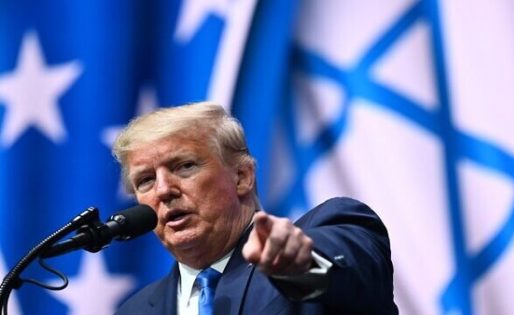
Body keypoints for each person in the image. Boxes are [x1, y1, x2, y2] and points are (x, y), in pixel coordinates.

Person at [113, 101, 398, 315]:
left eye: (185, 166)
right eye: (146, 181)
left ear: (242, 177)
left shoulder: (326, 227)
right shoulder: (133, 311)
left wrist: (301, 265)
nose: (163, 190)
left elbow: (352, 268)